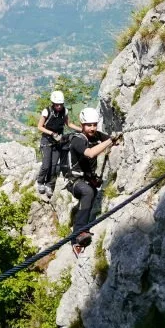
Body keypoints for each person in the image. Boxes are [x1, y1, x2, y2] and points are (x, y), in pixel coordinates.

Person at [67, 107, 121, 254]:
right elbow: (90, 154)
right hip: (75, 181)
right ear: (82, 125)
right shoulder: (77, 140)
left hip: (87, 178)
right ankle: (76, 237)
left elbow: (111, 142)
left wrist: (114, 140)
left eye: (94, 124)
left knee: (90, 192)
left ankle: (81, 231)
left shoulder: (97, 135)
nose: (92, 128)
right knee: (88, 192)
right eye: (88, 125)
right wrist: (110, 140)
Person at [36, 90, 81, 199]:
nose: (59, 106)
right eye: (57, 104)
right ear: (53, 103)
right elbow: (40, 126)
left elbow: (68, 124)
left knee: (54, 165)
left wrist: (81, 129)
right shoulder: (47, 111)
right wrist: (52, 133)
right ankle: (40, 182)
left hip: (58, 141)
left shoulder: (64, 111)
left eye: (61, 104)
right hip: (47, 140)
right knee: (46, 165)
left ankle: (49, 185)